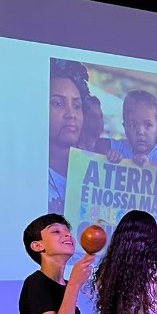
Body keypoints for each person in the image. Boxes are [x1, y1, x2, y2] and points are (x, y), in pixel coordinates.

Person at [47, 58, 91, 214]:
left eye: (77, 106)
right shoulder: (24, 175)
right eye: (58, 103)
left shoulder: (97, 174)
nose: (71, 114)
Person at [106, 91, 157, 166]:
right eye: (133, 125)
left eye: (148, 125)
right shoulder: (119, 148)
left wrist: (148, 166)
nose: (140, 131)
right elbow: (97, 144)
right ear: (125, 128)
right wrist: (109, 154)